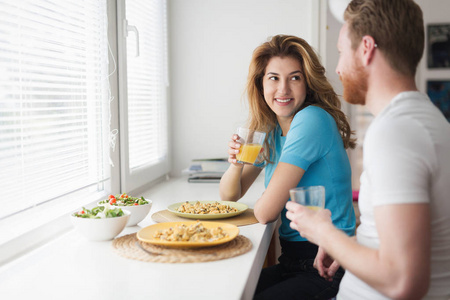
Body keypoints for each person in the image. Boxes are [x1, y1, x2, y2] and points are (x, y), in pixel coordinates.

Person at [286, 0, 450, 299]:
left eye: (340, 52)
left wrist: (324, 232)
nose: (337, 67)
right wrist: (346, 245)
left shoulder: (396, 132)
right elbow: (396, 240)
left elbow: (403, 281)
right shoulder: (423, 118)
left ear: (366, 48)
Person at [219, 34, 356, 299]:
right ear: (260, 84)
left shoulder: (311, 119)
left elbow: (265, 212)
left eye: (294, 77)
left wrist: (266, 198)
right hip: (293, 261)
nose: (283, 89)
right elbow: (229, 196)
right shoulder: (271, 130)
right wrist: (236, 163)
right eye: (274, 78)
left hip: (325, 265)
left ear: (307, 83)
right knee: (226, 289)